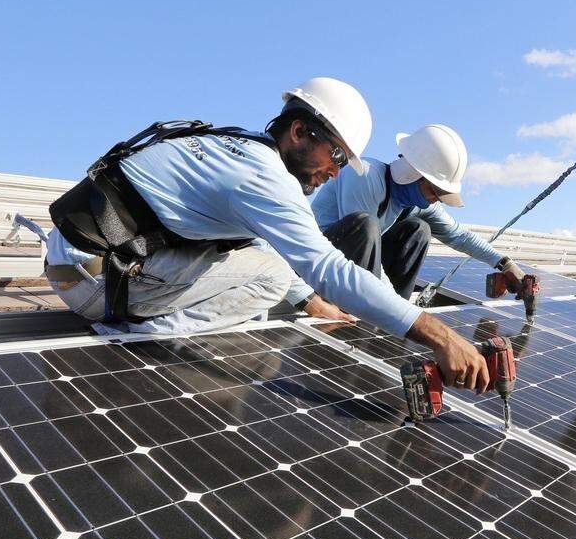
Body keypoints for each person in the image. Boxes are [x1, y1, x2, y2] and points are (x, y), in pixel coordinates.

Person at [45, 77, 490, 390]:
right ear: (299, 132)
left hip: (80, 260)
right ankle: (138, 337)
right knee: (275, 276)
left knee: (273, 269)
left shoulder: (238, 147)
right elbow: (328, 268)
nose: (335, 171)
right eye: (335, 154)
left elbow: (252, 244)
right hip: (98, 283)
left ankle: (138, 318)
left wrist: (310, 300)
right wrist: (441, 335)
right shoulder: (265, 177)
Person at [311, 123, 527, 299]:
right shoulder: (365, 176)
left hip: (356, 265)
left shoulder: (418, 205)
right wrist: (397, 310)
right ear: (411, 173)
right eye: (434, 190)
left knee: (419, 229)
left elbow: (459, 235)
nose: (435, 199)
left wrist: (504, 263)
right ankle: (382, 307)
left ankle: (391, 310)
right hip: (316, 260)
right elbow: (363, 245)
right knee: (366, 226)